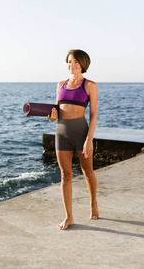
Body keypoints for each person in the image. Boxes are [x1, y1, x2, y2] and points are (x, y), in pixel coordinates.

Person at [46, 49, 99, 230]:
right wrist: (51, 117)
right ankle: (69, 216)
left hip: (81, 133)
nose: (72, 65)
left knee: (87, 171)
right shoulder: (60, 85)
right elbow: (56, 113)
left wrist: (89, 139)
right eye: (69, 61)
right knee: (65, 175)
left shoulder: (90, 85)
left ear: (83, 64)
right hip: (61, 132)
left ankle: (93, 204)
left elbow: (93, 115)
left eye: (76, 62)